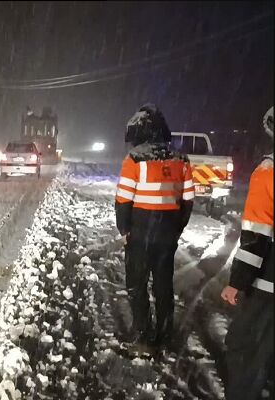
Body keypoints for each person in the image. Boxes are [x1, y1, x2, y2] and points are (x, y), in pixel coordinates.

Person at [115, 103, 195, 354]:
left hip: (140, 231)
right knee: (163, 286)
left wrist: (124, 230)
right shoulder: (181, 160)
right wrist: (176, 229)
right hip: (167, 232)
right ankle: (165, 336)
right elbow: (188, 200)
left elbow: (123, 199)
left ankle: (143, 338)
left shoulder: (134, 159)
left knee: (136, 285)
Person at [220, 106, 273, 400]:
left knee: (245, 347)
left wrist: (237, 282)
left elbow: (256, 236)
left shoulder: (268, 172)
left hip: (267, 286)